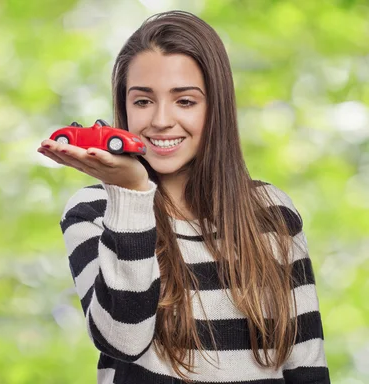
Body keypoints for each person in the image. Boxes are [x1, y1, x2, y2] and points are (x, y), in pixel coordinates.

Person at [37, 10, 329, 384]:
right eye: (143, 101)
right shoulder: (95, 210)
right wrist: (131, 193)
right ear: (124, 107)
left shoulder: (272, 213)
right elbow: (121, 340)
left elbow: (308, 366)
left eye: (185, 101)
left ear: (215, 107)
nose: (160, 120)